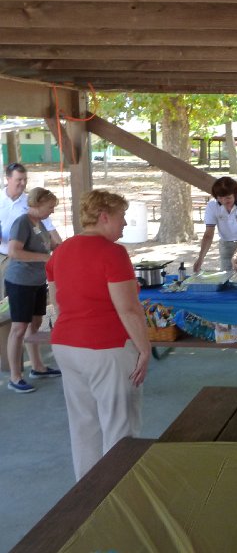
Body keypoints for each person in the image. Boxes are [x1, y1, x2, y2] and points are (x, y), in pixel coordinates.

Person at [46, 190, 150, 480]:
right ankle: (118, 491)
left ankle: (87, 493)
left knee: (84, 424)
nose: (125, 223)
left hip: (66, 345)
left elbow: (57, 301)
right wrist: (144, 348)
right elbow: (128, 308)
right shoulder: (112, 253)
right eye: (121, 217)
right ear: (104, 217)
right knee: (120, 426)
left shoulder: (61, 251)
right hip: (107, 348)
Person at [5, 188, 62, 393]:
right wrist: (45, 258)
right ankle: (15, 376)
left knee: (35, 324)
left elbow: (50, 246)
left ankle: (38, 367)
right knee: (19, 328)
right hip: (20, 282)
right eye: (50, 207)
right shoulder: (22, 222)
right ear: (37, 204)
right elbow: (14, 251)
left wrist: (61, 248)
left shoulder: (40, 224)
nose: (52, 211)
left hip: (37, 281)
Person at [0, 162, 62, 299]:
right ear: (8, 179)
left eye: (25, 179)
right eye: (19, 179)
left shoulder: (31, 204)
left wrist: (62, 250)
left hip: (21, 262)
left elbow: (50, 231)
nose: (23, 183)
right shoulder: (2, 201)